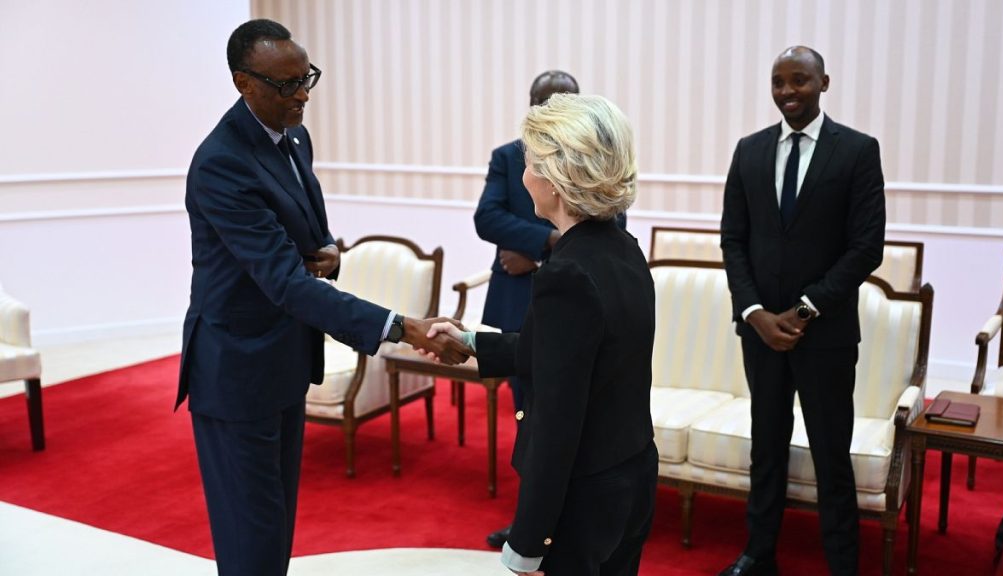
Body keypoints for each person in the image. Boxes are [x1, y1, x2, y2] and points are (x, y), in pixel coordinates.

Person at [175, 19, 468, 576]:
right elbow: (286, 282)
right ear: (244, 83)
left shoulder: (295, 135)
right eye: (286, 85)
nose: (303, 94)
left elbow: (309, 239)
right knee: (251, 541)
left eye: (306, 78)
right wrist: (402, 327)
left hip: (283, 358)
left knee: (275, 529)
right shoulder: (220, 164)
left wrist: (331, 251)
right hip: (236, 372)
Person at [430, 93, 658, 576]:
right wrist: (470, 342)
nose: (523, 174)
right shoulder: (622, 249)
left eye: (530, 162)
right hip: (631, 475)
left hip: (584, 498)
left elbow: (557, 423)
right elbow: (567, 354)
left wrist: (527, 542)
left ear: (556, 181)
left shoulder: (568, 273)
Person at [719, 46, 885, 576]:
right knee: (766, 446)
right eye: (778, 82)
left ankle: (842, 563)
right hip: (760, 334)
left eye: (799, 81)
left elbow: (866, 247)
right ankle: (758, 553)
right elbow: (732, 240)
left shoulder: (857, 151)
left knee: (830, 454)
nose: (788, 92)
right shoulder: (748, 151)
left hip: (827, 335)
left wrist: (806, 308)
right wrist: (754, 313)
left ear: (824, 83)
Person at [475, 69, 623, 550]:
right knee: (531, 417)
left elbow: (607, 223)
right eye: (544, 102)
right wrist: (545, 240)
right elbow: (487, 217)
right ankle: (532, 518)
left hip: (559, 287)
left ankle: (543, 527)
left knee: (565, 420)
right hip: (519, 301)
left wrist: (545, 249)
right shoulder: (508, 157)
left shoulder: (598, 164)